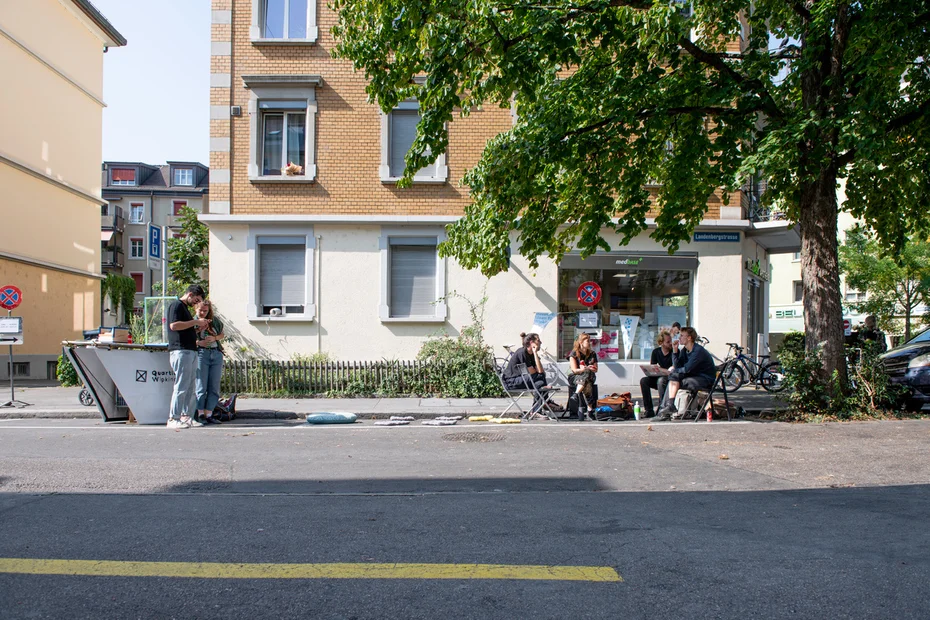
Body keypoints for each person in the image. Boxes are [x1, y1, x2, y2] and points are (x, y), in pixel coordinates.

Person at [167, 285, 208, 429]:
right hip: (180, 350)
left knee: (191, 386)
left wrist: (197, 328)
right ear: (190, 294)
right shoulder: (176, 305)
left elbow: (184, 327)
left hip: (190, 350)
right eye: (196, 300)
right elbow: (174, 325)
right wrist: (196, 322)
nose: (196, 303)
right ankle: (173, 417)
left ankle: (187, 416)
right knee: (182, 386)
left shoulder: (184, 308)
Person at [656, 326, 716, 420]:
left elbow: (687, 369)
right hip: (694, 376)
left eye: (682, 335)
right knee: (664, 380)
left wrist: (674, 371)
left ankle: (666, 409)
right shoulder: (685, 350)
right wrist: (675, 351)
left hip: (705, 379)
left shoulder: (697, 351)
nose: (679, 338)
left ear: (689, 338)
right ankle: (667, 407)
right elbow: (678, 366)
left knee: (674, 377)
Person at [503, 332, 563, 415]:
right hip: (511, 381)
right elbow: (536, 373)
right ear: (532, 342)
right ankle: (544, 402)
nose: (540, 342)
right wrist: (535, 356)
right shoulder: (522, 353)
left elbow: (540, 370)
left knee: (540, 383)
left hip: (522, 379)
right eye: (538, 340)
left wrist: (535, 353)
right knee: (540, 377)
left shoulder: (530, 353)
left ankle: (536, 410)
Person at [194, 300, 226, 425]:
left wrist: (215, 338)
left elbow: (222, 334)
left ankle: (209, 414)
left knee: (214, 386)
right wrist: (198, 342)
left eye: (205, 311)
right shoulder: (193, 321)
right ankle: (200, 413)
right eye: (200, 310)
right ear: (196, 309)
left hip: (215, 352)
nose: (203, 313)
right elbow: (186, 338)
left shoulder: (214, 320)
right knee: (201, 385)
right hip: (202, 353)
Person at [640, 329, 674, 418]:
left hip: (669, 378)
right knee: (644, 381)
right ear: (661, 343)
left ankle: (661, 408)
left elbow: (674, 368)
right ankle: (649, 410)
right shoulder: (656, 352)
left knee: (661, 380)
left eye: (670, 341)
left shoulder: (673, 352)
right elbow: (653, 367)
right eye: (668, 342)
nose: (670, 343)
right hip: (659, 375)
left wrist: (663, 370)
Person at [568, 333, 599, 421]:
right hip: (575, 376)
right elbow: (574, 370)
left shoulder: (592, 354)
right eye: (588, 341)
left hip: (589, 375)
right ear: (581, 342)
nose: (590, 343)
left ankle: (576, 394)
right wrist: (582, 369)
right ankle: (590, 410)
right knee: (587, 383)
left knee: (587, 374)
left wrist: (591, 368)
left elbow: (596, 369)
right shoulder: (574, 353)